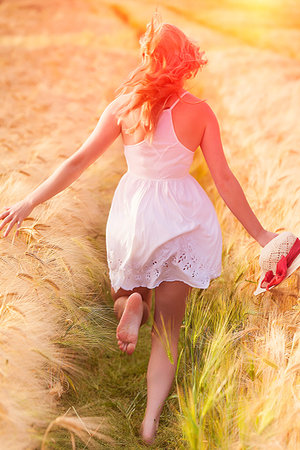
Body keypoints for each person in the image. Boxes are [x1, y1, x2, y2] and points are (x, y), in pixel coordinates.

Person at [0, 12, 278, 446]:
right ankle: (149, 421)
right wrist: (262, 236)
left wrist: (27, 201)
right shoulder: (200, 112)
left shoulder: (124, 107)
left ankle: (131, 303)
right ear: (185, 64)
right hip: (182, 219)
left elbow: (76, 161)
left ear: (147, 58)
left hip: (134, 216)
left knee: (129, 293)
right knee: (169, 330)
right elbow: (224, 179)